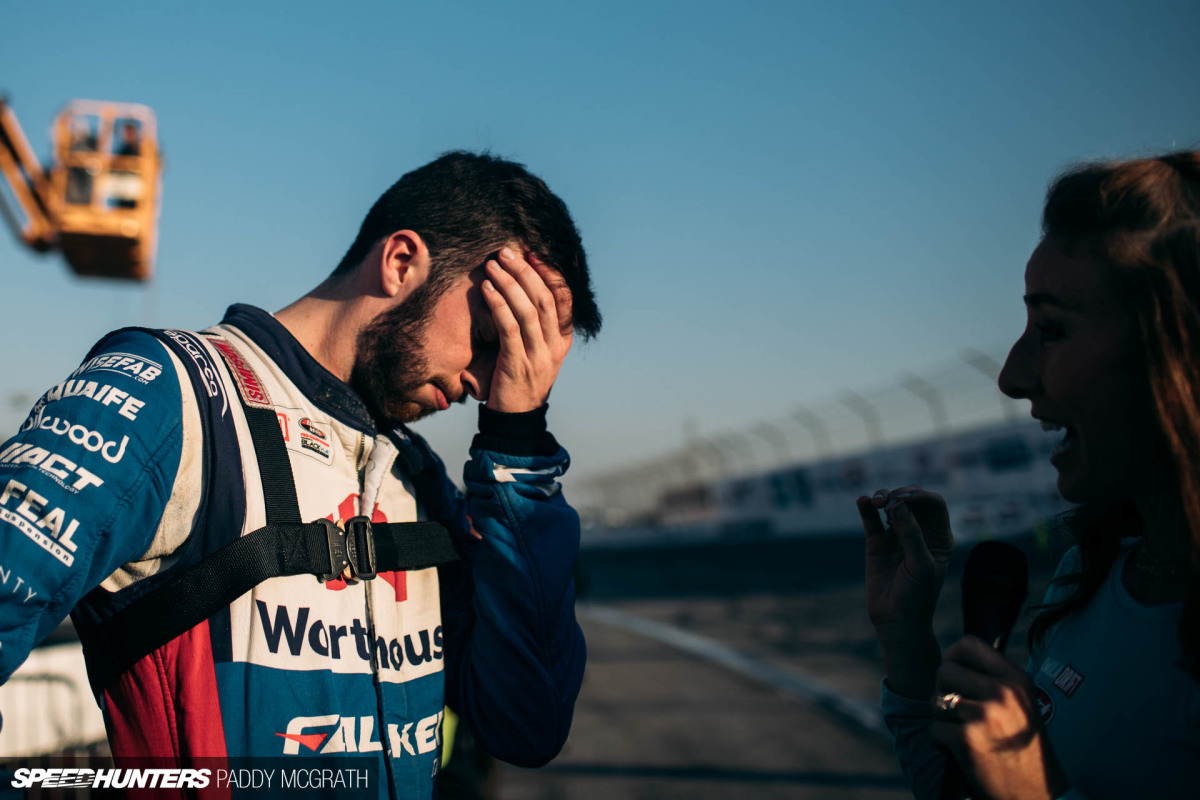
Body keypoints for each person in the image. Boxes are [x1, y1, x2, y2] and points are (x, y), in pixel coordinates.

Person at [0, 150, 601, 798]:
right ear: (401, 261)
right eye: (488, 337)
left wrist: (516, 443)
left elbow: (526, 726)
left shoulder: (414, 473)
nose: (487, 382)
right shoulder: (170, 395)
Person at [859, 151, 1200, 799]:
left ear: (1178, 353)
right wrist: (906, 640)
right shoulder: (1087, 572)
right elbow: (960, 791)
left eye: (1050, 328)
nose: (1011, 376)